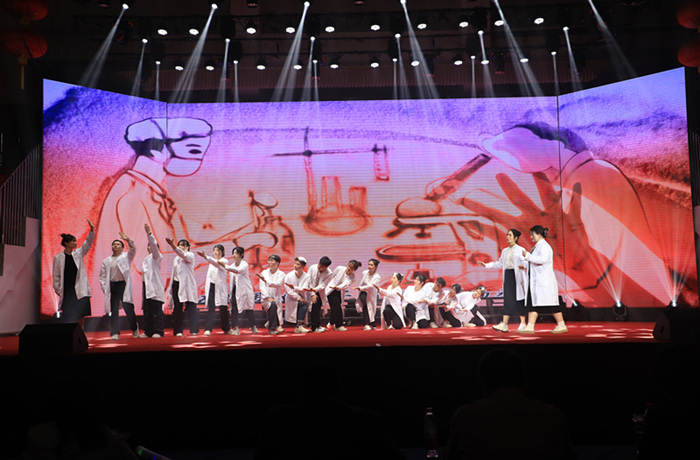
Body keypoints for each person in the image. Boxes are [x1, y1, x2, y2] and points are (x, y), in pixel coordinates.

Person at [446, 348, 575, 460]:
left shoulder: (464, 417)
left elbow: (451, 456)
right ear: (524, 383)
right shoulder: (554, 417)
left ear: (483, 385)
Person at [477, 228, 528, 332]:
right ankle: (504, 324)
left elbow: (527, 261)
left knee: (519, 300)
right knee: (508, 300)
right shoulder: (505, 251)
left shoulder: (520, 249)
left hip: (517, 276)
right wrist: (486, 265)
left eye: (510, 235)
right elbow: (500, 263)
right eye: (507, 235)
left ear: (516, 238)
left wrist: (524, 265)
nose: (507, 237)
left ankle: (523, 323)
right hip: (508, 276)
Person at [519, 225, 567, 334]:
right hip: (535, 282)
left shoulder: (544, 246)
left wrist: (527, 255)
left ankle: (561, 325)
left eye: (532, 234)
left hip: (544, 281)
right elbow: (534, 261)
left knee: (552, 306)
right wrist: (525, 265)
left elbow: (542, 260)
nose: (531, 237)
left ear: (539, 234)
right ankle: (530, 326)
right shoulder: (537, 246)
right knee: (532, 304)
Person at [52, 219, 95, 325]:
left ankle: (80, 331)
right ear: (66, 243)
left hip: (79, 289)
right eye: (73, 241)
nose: (75, 243)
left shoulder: (78, 254)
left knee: (81, 313)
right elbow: (56, 276)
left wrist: (92, 230)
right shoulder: (58, 258)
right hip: (67, 290)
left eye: (75, 241)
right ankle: (71, 332)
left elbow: (87, 244)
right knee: (68, 315)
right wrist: (59, 290)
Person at [99, 232, 138, 340]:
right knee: (114, 310)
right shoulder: (106, 261)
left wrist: (128, 240)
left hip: (123, 285)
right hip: (112, 285)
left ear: (122, 248)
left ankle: (134, 327)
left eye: (118, 244)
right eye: (114, 244)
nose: (115, 246)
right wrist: (105, 288)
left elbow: (133, 249)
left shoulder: (126, 256)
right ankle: (115, 332)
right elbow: (102, 276)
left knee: (128, 308)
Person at [197, 244, 233, 336]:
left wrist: (206, 257)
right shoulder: (211, 263)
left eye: (217, 250)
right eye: (214, 250)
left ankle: (226, 329)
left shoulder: (224, 261)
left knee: (223, 309)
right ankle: (208, 329)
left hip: (220, 288)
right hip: (211, 287)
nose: (215, 252)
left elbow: (217, 264)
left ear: (222, 252)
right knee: (211, 308)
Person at [166, 237, 199, 336]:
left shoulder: (190, 255)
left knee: (191, 307)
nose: (181, 247)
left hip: (187, 284)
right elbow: (174, 272)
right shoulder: (176, 258)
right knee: (178, 308)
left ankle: (194, 330)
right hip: (177, 284)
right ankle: (178, 330)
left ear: (188, 247)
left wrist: (173, 246)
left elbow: (183, 254)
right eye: (180, 245)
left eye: (184, 245)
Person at [222, 246, 257, 335]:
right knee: (234, 309)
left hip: (244, 290)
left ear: (241, 254)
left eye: (236, 253)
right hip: (235, 290)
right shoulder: (232, 266)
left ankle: (253, 326)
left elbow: (238, 270)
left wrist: (225, 266)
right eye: (233, 253)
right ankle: (236, 328)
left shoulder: (244, 264)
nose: (234, 255)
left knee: (248, 309)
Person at [141, 223, 165, 338]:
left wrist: (149, 234)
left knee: (156, 312)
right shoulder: (145, 259)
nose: (150, 248)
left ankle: (158, 331)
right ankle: (148, 331)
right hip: (146, 287)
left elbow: (154, 247)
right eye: (149, 246)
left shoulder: (157, 257)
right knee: (147, 311)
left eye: (152, 246)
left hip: (155, 288)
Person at [326, 260, 362, 331]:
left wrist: (338, 287)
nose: (349, 268)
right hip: (331, 289)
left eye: (351, 268)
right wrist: (334, 286)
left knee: (336, 307)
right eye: (349, 266)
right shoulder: (339, 268)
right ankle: (339, 325)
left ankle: (331, 324)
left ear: (354, 270)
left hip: (340, 290)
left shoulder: (353, 277)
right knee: (336, 307)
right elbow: (334, 276)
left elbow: (345, 284)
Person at [257, 254, 285, 335]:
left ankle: (272, 324)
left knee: (276, 309)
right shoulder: (264, 272)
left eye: (272, 260)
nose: (269, 262)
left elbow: (278, 284)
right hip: (266, 298)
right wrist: (267, 297)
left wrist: (266, 281)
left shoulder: (281, 274)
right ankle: (272, 327)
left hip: (276, 296)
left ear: (277, 263)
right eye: (269, 260)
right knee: (272, 305)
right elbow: (262, 287)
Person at [306, 256, 333, 333]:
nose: (319, 266)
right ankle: (314, 327)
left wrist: (315, 290)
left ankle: (317, 325)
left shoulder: (329, 273)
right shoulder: (312, 268)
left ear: (326, 267)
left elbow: (323, 284)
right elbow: (308, 281)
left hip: (319, 291)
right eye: (319, 264)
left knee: (317, 308)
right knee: (314, 308)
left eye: (322, 266)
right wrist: (312, 294)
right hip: (310, 289)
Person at [284, 256, 311, 333]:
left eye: (298, 264)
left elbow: (304, 288)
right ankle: (299, 326)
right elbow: (288, 291)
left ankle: (299, 326)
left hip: (301, 297)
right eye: (295, 263)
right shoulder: (288, 275)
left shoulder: (307, 276)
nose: (295, 266)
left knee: (304, 303)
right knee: (302, 303)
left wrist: (294, 288)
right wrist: (298, 298)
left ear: (303, 266)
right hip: (291, 298)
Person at [355, 258, 381, 330]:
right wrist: (361, 288)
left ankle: (372, 322)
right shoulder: (364, 273)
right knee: (366, 306)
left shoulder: (377, 277)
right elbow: (362, 282)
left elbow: (370, 286)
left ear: (376, 266)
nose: (369, 266)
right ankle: (366, 324)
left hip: (371, 294)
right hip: (363, 292)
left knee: (371, 308)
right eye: (369, 264)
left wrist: (360, 288)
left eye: (371, 265)